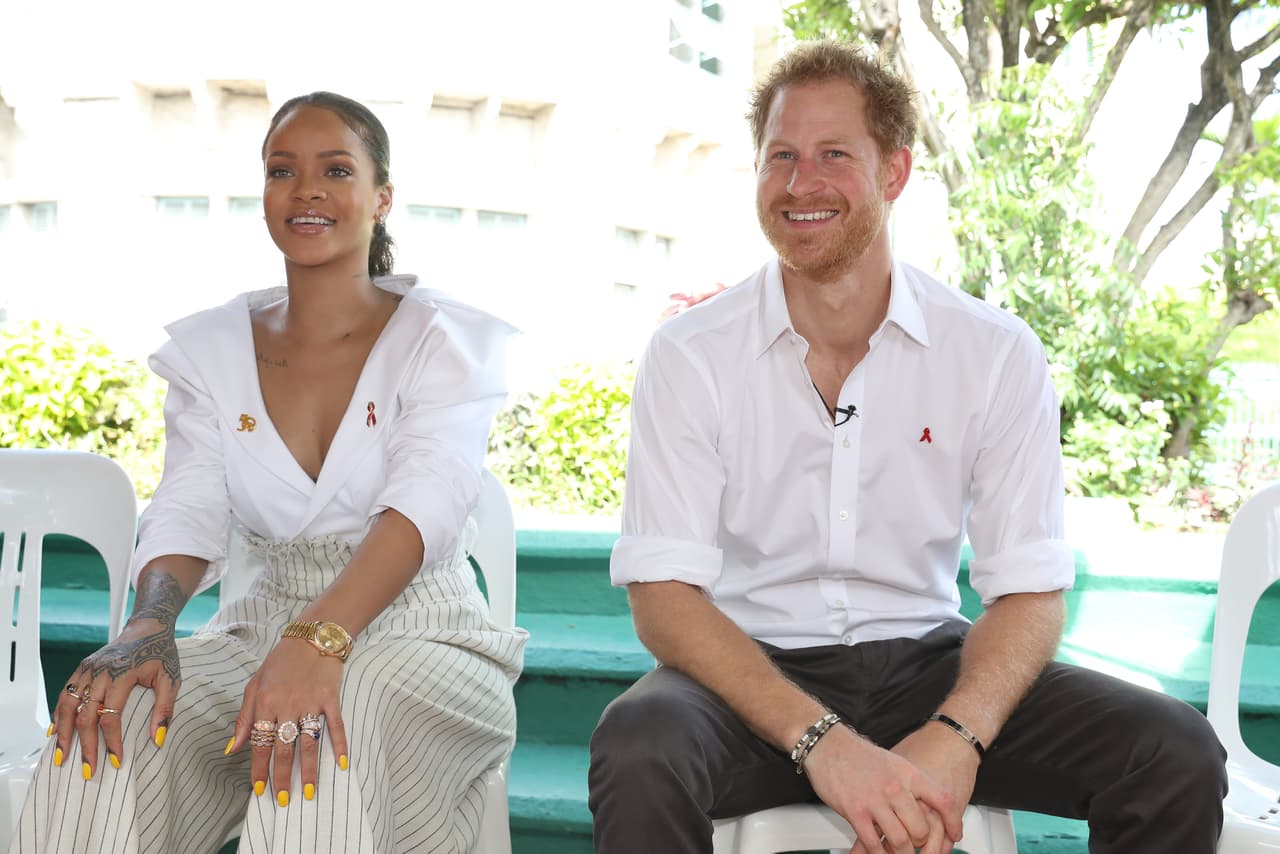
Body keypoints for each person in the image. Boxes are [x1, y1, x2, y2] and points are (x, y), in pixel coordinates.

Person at [588, 41, 1227, 854]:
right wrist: (823, 743)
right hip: (750, 679)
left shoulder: (992, 352)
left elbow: (1030, 592)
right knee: (639, 746)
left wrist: (958, 735)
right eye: (780, 156)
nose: (800, 183)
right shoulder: (690, 354)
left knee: (1174, 751)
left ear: (894, 172)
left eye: (834, 154)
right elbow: (663, 595)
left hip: (931, 672)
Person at [10, 91, 525, 854]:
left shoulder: (442, 337)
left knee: (321, 733)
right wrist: (149, 626)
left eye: (336, 170)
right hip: (262, 626)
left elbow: (429, 500)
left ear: (382, 198)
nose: (306, 189)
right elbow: (188, 506)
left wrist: (320, 641)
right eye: (283, 170)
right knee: (110, 726)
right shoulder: (212, 349)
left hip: (423, 630)